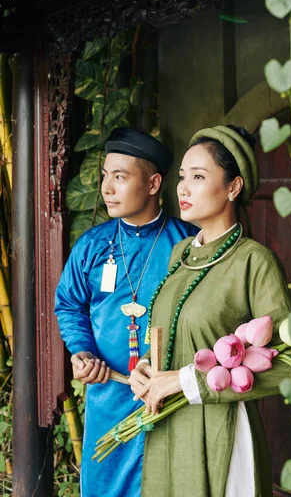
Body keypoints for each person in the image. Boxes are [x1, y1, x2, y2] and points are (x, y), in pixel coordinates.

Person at [129, 125, 291, 497]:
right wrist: (149, 370)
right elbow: (175, 333)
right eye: (182, 177)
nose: (183, 188)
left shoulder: (254, 262)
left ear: (233, 187)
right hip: (166, 428)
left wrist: (188, 382)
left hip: (221, 431)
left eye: (198, 177)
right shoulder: (180, 253)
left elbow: (288, 364)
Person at [54, 127, 198, 497]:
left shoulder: (186, 245)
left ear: (152, 184)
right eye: (105, 175)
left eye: (120, 177)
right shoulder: (92, 245)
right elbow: (69, 304)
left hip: (167, 399)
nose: (106, 188)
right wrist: (82, 350)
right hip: (108, 395)